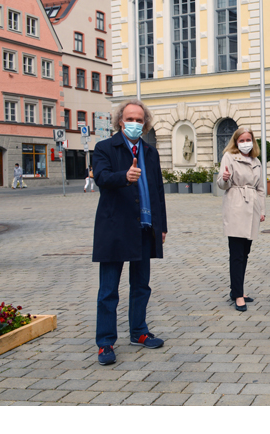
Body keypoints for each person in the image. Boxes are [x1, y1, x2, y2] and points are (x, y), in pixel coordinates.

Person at [92, 99, 168, 365]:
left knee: (141, 286)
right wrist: (124, 176)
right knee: (109, 290)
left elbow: (158, 191)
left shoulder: (150, 152)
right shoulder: (105, 148)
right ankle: (105, 343)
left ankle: (139, 332)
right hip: (115, 227)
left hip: (145, 227)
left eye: (139, 119)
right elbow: (101, 178)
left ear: (144, 123)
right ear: (120, 121)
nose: (135, 123)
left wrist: (162, 226)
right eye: (130, 119)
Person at [217, 127, 266, 311]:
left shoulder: (256, 160)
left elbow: (261, 188)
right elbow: (221, 184)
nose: (246, 143)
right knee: (236, 253)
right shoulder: (229, 156)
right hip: (236, 205)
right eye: (242, 140)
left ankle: (237, 289)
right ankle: (237, 295)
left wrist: (262, 210)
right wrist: (225, 178)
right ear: (236, 141)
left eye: (249, 139)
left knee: (245, 252)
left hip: (252, 206)